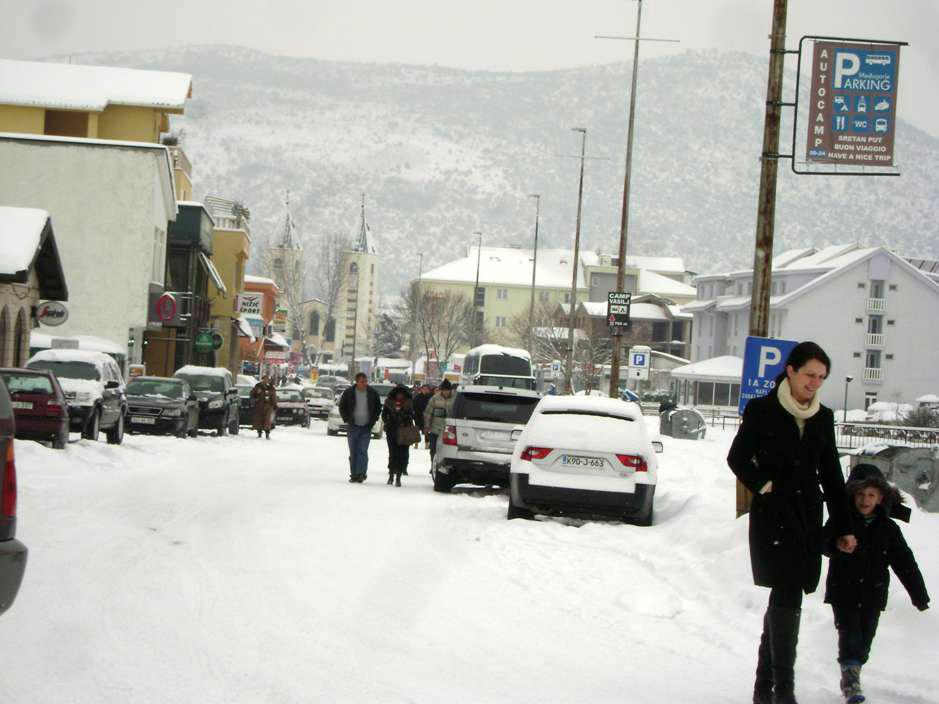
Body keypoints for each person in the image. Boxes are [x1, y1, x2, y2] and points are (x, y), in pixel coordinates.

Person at [727, 341, 855, 704]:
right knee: (786, 593)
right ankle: (784, 690)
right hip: (773, 517)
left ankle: (762, 689)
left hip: (807, 518)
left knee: (786, 596)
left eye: (822, 377)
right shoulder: (763, 410)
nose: (815, 383)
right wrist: (763, 486)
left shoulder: (823, 417)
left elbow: (830, 473)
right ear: (791, 371)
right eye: (810, 375)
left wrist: (844, 526)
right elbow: (737, 457)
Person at [823, 464, 929, 703]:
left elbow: (905, 563)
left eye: (871, 495)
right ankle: (851, 681)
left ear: (881, 498)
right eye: (860, 494)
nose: (864, 500)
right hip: (844, 591)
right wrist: (835, 545)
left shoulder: (888, 529)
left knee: (865, 640)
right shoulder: (841, 521)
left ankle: (853, 668)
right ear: (851, 495)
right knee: (849, 634)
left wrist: (919, 595)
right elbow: (821, 543)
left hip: (874, 594)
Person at [338, 372, 381, 483]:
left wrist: (373, 420)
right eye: (362, 381)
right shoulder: (349, 393)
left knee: (362, 450)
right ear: (356, 382)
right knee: (353, 451)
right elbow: (342, 406)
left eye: (366, 381)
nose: (364, 383)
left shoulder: (372, 393)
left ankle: (361, 473)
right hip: (353, 426)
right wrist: (347, 419)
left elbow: (377, 408)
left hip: (366, 427)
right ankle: (354, 474)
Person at [381, 385, 416, 487]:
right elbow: (384, 415)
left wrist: (405, 416)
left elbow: (412, 415)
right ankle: (391, 474)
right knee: (392, 453)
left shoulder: (409, 403)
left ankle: (399, 476)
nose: (399, 395)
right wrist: (388, 420)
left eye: (402, 394)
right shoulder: (389, 402)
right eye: (398, 393)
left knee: (402, 454)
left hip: (404, 431)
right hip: (391, 431)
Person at [424, 379, 455, 464]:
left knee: (446, 449)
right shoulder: (435, 398)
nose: (445, 392)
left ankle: (443, 464)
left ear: (450, 390)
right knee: (433, 448)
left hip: (449, 430)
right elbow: (428, 413)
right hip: (435, 429)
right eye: (444, 390)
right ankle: (433, 464)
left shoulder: (455, 399)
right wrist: (426, 426)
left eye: (447, 390)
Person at [412, 384, 431, 448]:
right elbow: (413, 407)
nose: (425, 390)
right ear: (421, 389)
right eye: (424, 389)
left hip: (426, 417)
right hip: (418, 416)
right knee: (416, 431)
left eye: (426, 389)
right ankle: (416, 444)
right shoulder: (417, 397)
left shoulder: (429, 397)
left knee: (426, 431)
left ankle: (427, 444)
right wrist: (414, 415)